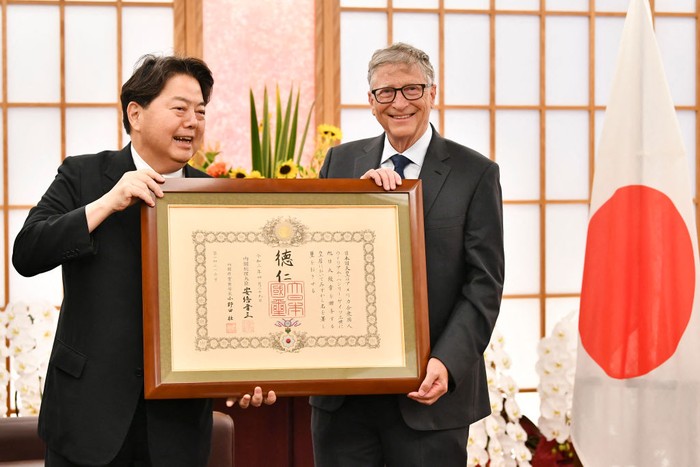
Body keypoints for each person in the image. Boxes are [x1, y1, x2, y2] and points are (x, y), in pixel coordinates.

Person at [12, 54, 275, 467]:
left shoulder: (216, 193)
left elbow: (242, 294)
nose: (193, 122)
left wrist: (247, 370)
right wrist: (107, 203)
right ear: (135, 113)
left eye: (201, 112)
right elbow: (27, 252)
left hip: (177, 427)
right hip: (87, 417)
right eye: (180, 109)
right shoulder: (84, 176)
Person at [310, 42, 505, 466]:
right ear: (371, 101)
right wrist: (356, 204)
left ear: (432, 93)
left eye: (411, 89)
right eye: (386, 92)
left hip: (429, 394)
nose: (399, 103)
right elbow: (315, 259)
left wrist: (447, 361)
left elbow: (484, 284)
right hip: (344, 397)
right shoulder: (341, 162)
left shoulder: (475, 173)